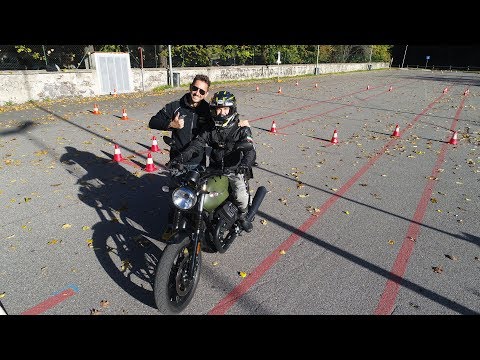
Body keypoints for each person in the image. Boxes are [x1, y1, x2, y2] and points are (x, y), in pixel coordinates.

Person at [169, 90, 256, 232]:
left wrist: (245, 165)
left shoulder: (241, 129)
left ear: (232, 109)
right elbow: (196, 145)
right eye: (217, 109)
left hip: (235, 169)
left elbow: (250, 150)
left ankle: (243, 216)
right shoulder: (210, 129)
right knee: (196, 191)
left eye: (225, 109)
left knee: (240, 195)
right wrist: (179, 159)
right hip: (214, 168)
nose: (221, 113)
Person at [148, 74, 212, 170]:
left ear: (206, 94)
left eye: (202, 91)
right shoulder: (175, 106)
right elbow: (152, 122)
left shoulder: (209, 110)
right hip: (177, 160)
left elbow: (222, 123)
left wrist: (239, 123)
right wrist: (171, 124)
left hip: (198, 162)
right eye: (195, 88)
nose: (197, 93)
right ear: (190, 87)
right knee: (175, 185)